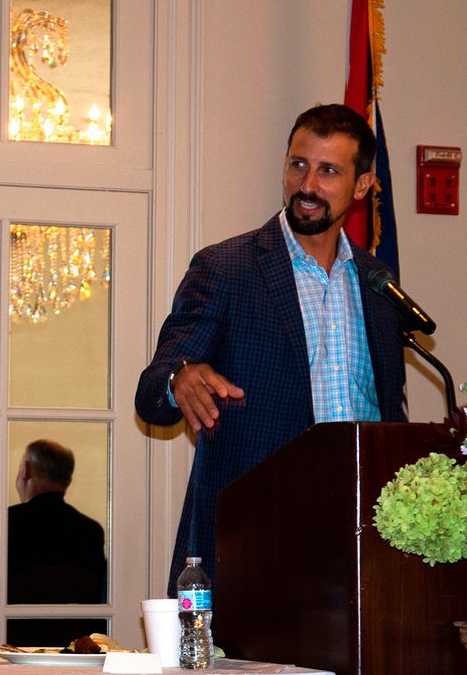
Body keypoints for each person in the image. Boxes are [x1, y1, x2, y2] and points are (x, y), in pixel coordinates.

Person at [135, 103, 408, 594]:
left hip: (363, 548)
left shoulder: (378, 288)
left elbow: (391, 417)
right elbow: (152, 392)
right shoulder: (227, 268)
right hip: (257, 545)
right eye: (298, 165)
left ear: (363, 185)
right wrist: (180, 380)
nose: (307, 186)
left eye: (328, 171)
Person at [0, 439, 106, 644]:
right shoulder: (90, 530)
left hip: (6, 645)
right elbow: (98, 598)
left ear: (25, 470)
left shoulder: (1, 523)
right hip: (69, 646)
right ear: (67, 480)